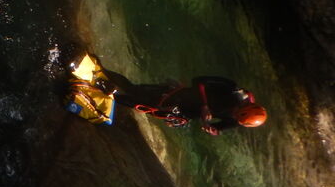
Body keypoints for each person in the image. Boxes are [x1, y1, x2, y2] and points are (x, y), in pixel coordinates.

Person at [100, 69, 267, 135]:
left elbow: (220, 127)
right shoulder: (230, 88)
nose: (232, 114)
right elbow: (199, 80)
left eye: (235, 117)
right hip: (178, 95)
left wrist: (212, 129)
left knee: (143, 105)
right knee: (134, 90)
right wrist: (205, 105)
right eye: (236, 111)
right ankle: (101, 71)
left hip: (182, 112)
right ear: (243, 105)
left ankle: (109, 94)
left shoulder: (237, 119)